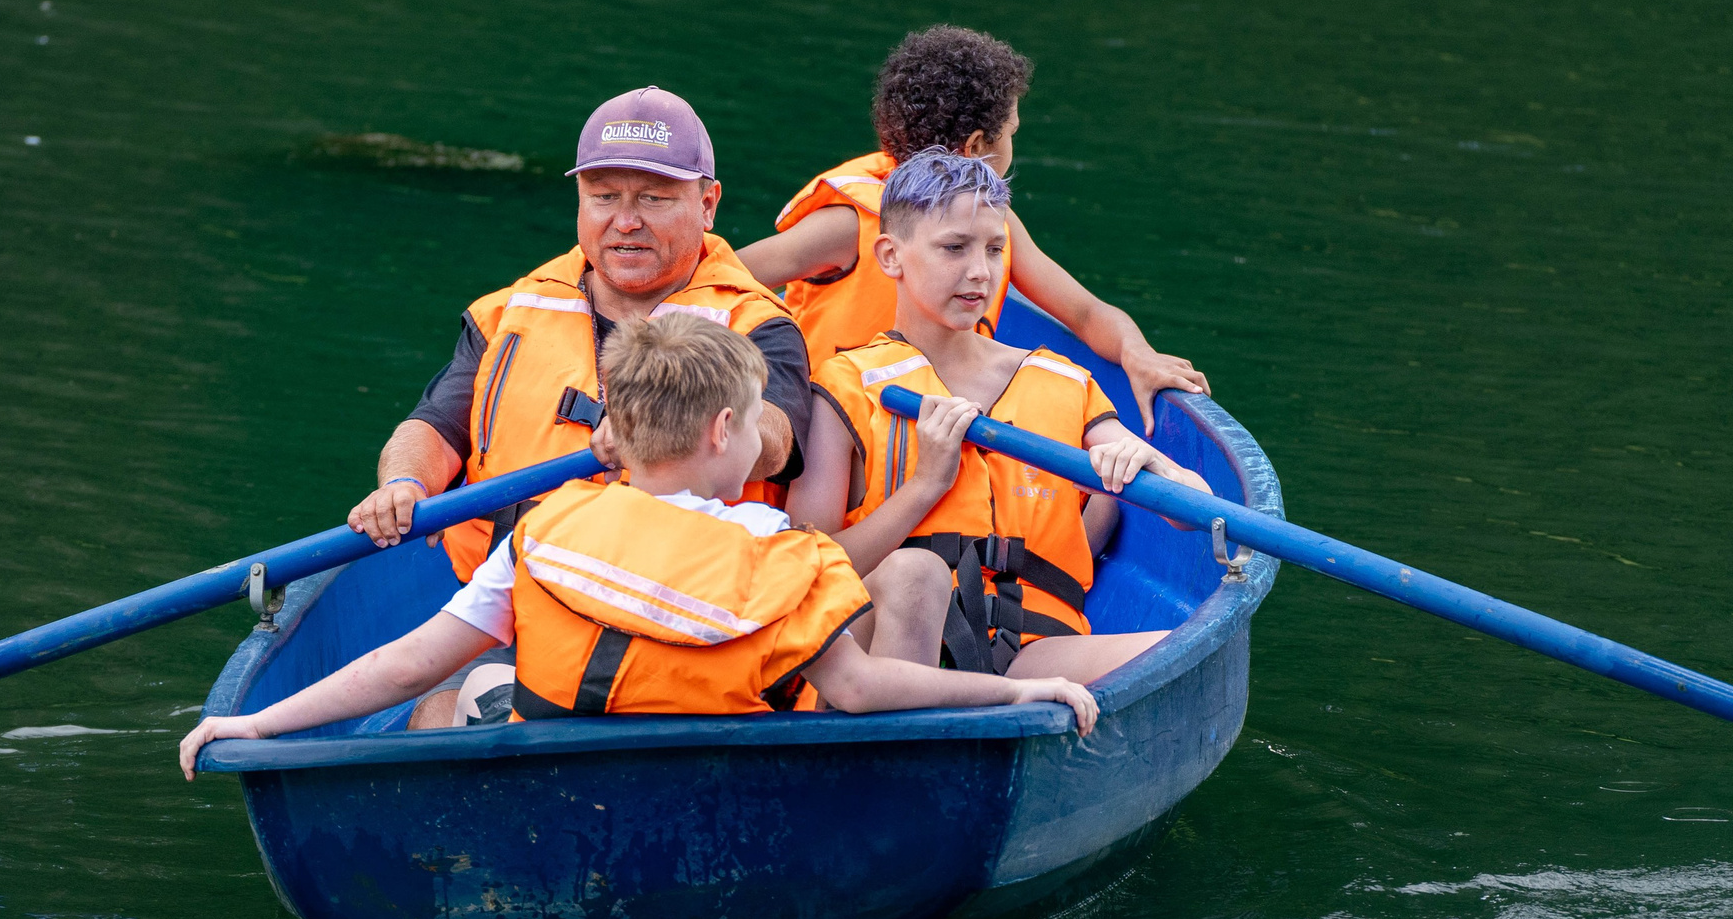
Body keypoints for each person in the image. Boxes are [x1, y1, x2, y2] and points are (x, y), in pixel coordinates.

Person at [178, 316, 1097, 774]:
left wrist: (260, 721)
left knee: (480, 684)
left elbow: (409, 661)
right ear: (725, 431)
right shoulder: (781, 548)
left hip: (566, 771)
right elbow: (864, 688)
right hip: (723, 787)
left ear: (616, 433)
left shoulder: (545, 529)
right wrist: (1017, 684)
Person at [344, 86, 814, 726]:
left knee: (475, 708)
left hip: (688, 614)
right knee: (432, 713)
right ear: (580, 202)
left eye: (653, 198)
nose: (626, 220)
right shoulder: (508, 313)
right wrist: (401, 482)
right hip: (519, 604)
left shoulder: (758, 324)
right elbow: (432, 425)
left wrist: (671, 427)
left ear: (707, 204)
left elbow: (776, 439)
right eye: (605, 197)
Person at [791, 151, 1212, 686]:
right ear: (891, 256)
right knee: (912, 575)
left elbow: (1192, 513)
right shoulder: (844, 385)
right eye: (953, 248)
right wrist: (925, 487)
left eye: (994, 250)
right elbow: (806, 570)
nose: (979, 272)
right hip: (890, 648)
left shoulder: (1063, 381)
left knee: (1182, 653)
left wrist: (1155, 465)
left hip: (1032, 652)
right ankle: (898, 751)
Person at [735, 25, 1209, 433]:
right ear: (977, 145)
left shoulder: (997, 223)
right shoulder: (848, 222)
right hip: (839, 429)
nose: (980, 265)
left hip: (937, 421)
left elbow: (1085, 314)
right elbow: (722, 280)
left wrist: (1136, 352)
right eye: (1012, 135)